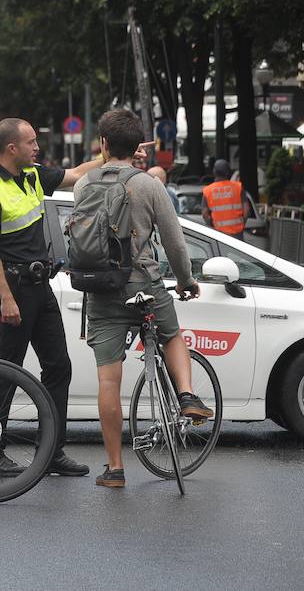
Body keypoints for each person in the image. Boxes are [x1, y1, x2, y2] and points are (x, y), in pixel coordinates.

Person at [0, 118, 114, 479]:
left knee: (58, 367)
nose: (37, 148)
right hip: (14, 290)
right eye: (31, 142)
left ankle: (51, 450)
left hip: (40, 287)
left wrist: (112, 154)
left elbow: (77, 172)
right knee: (5, 371)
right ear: (10, 150)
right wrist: (5, 297)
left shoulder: (32, 175)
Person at [79, 109, 213, 488]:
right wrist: (186, 281)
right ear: (137, 146)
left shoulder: (84, 186)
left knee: (109, 379)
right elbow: (174, 242)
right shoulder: (149, 186)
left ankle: (115, 468)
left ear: (103, 145)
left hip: (103, 291)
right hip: (145, 285)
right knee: (171, 335)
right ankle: (186, 395)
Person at [201, 159, 246, 238]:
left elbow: (205, 214)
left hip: (219, 236)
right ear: (228, 172)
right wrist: (241, 225)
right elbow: (246, 210)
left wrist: (211, 227)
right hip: (237, 234)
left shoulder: (208, 191)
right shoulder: (238, 187)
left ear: (214, 172)